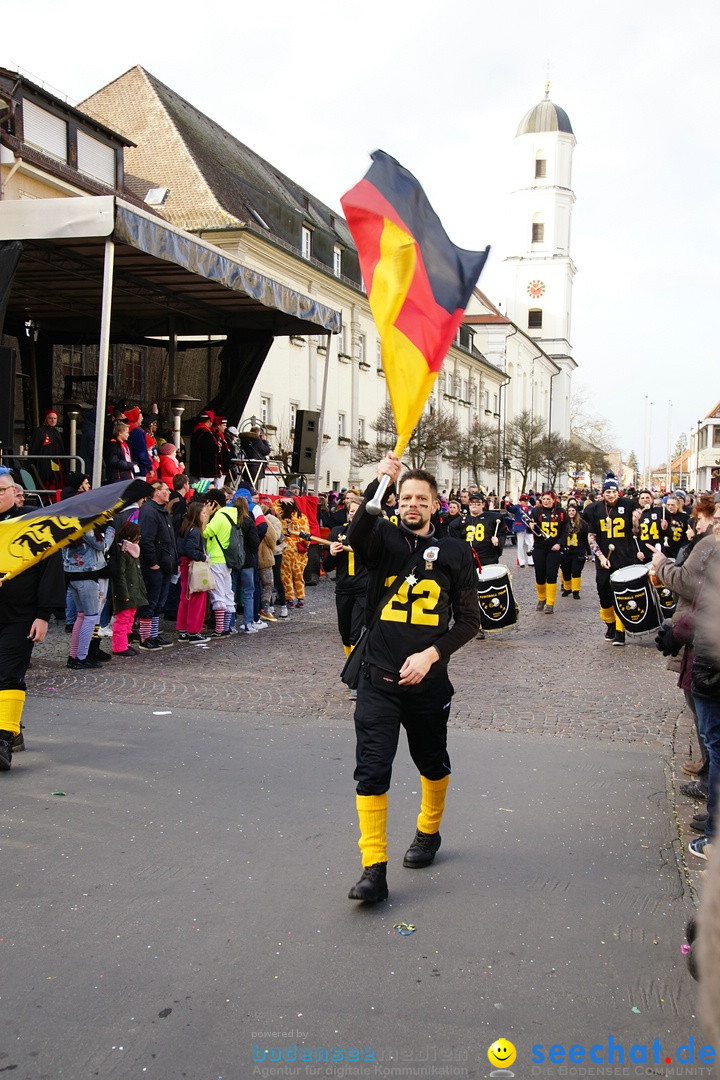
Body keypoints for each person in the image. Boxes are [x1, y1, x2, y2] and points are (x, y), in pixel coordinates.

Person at [344, 452, 481, 904]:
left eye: (421, 498)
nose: (412, 504)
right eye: (406, 497)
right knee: (373, 769)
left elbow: (468, 620)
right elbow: (356, 532)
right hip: (378, 677)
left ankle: (428, 831)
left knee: (431, 760)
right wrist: (377, 483)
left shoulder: (456, 552)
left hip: (428, 682)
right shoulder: (383, 539)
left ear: (435, 504)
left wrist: (432, 653)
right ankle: (374, 867)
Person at [0, 469, 65, 769]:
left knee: (8, 674)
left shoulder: (34, 524)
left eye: (2, 490)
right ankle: (13, 731)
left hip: (20, 616)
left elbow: (51, 569)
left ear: (14, 492)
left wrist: (43, 616)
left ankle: (2, 741)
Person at [582, 476, 639, 646]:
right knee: (604, 593)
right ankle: (610, 625)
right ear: (603, 493)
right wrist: (599, 557)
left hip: (625, 557)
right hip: (605, 559)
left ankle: (621, 631)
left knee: (622, 594)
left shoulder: (628, 505)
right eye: (608, 492)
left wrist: (637, 520)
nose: (611, 495)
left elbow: (636, 531)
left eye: (614, 492)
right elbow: (591, 537)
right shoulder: (595, 509)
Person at [325, 494, 367, 666]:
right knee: (345, 632)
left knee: (356, 633)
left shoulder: (370, 534)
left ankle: (356, 670)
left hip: (363, 589)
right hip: (343, 588)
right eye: (350, 511)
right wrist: (332, 553)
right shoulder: (337, 532)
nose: (352, 514)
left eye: (356, 511)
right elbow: (327, 567)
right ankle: (351, 665)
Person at [137, 482, 179, 649]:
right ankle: (145, 637)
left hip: (164, 565)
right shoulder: (149, 511)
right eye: (165, 490)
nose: (169, 492)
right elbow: (146, 540)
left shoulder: (161, 511)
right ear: (156, 492)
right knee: (150, 602)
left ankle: (153, 635)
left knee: (158, 603)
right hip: (156, 566)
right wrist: (153, 563)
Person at [175, 500, 212, 644]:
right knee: (197, 598)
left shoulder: (186, 528)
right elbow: (190, 549)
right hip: (193, 566)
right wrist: (203, 556)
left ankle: (183, 630)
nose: (205, 516)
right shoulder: (195, 531)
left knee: (186, 598)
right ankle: (193, 631)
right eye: (203, 513)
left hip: (185, 566)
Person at [110, 521, 147, 657]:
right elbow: (120, 575)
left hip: (134, 592)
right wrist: (124, 593)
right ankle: (119, 646)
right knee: (123, 619)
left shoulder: (132, 550)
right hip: (127, 593)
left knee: (129, 619)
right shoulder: (123, 552)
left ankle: (125, 644)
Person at [276, 496, 310, 608]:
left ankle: (289, 599)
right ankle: (301, 598)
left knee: (286, 575)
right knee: (299, 575)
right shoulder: (302, 517)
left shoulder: (281, 516)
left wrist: (280, 500)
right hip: (299, 550)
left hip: (286, 548)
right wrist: (305, 545)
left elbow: (273, 506)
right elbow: (307, 535)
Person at [28, 407, 66, 492]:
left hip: (57, 462)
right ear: (46, 419)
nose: (53, 420)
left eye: (55, 418)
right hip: (44, 464)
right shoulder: (40, 431)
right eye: (50, 418)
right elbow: (35, 448)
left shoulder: (57, 433)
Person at [560, 500, 589, 598]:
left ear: (576, 512)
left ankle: (576, 590)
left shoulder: (582, 523)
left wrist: (588, 552)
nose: (571, 512)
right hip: (566, 550)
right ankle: (567, 589)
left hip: (578, 550)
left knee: (576, 571)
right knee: (566, 571)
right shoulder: (563, 523)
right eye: (569, 511)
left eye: (573, 510)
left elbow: (585, 538)